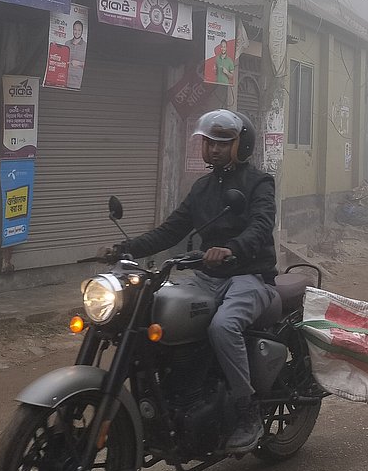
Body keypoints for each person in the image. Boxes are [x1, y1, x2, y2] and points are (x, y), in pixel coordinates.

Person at [106, 109, 276, 453]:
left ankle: (248, 412)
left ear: (241, 145)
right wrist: (125, 248)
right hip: (207, 278)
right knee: (155, 312)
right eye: (209, 142)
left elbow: (261, 225)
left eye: (223, 142)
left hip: (249, 276)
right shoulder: (201, 188)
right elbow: (171, 230)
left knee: (223, 327)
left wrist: (231, 249)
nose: (214, 149)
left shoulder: (259, 182)